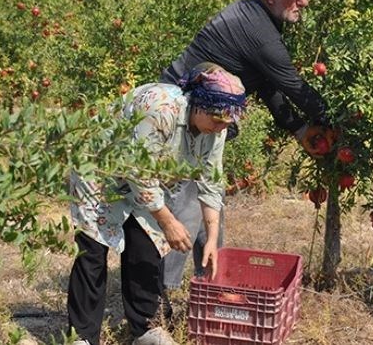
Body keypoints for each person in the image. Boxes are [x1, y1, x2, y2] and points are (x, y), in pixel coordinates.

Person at [159, 0, 333, 292]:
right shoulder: (259, 30)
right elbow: (292, 86)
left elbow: (267, 84)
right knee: (182, 206)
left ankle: (208, 287)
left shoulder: (259, 18)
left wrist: (297, 128)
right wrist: (335, 121)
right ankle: (157, 302)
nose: (305, 0)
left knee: (208, 199)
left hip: (205, 118)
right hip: (182, 119)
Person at [67, 63, 247, 345]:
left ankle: (145, 329)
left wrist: (212, 239)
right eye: (216, 120)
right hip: (100, 169)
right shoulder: (160, 109)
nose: (221, 127)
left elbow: (212, 179)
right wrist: (168, 220)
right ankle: (82, 336)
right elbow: (139, 173)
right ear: (198, 104)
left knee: (147, 246)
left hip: (145, 179)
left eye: (227, 122)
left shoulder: (218, 126)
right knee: (93, 250)